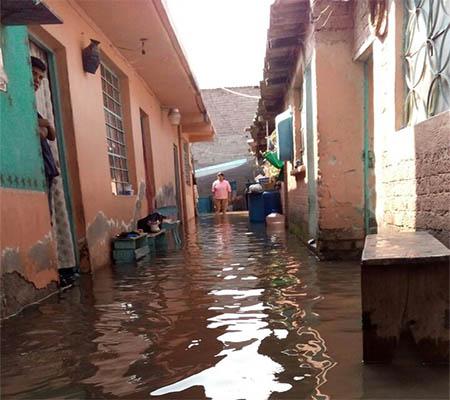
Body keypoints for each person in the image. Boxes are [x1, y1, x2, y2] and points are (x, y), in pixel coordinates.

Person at [31, 56, 59, 213]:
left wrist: (46, 124)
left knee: (47, 215)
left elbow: (51, 136)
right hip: (36, 169)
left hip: (46, 169)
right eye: (34, 74)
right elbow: (41, 134)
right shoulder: (22, 103)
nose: (37, 80)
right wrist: (44, 125)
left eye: (40, 77)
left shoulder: (34, 108)